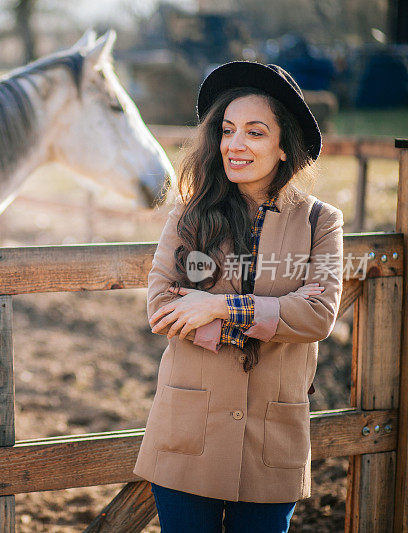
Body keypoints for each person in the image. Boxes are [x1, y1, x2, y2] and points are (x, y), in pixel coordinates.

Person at [132, 61, 344, 532]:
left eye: (254, 131)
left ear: (284, 145)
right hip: (187, 434)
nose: (235, 144)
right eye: (227, 131)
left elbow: (319, 314)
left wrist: (216, 305)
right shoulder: (187, 218)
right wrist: (276, 315)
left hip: (272, 443)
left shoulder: (320, 223)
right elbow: (162, 309)